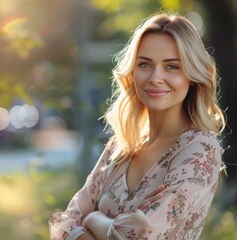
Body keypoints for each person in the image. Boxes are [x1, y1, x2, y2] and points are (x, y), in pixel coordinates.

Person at [49, 12, 226, 240]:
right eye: (145, 64)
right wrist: (111, 230)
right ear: (132, 73)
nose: (155, 77)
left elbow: (142, 234)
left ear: (192, 76)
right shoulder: (119, 148)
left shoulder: (200, 148)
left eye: (171, 67)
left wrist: (94, 219)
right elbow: (63, 224)